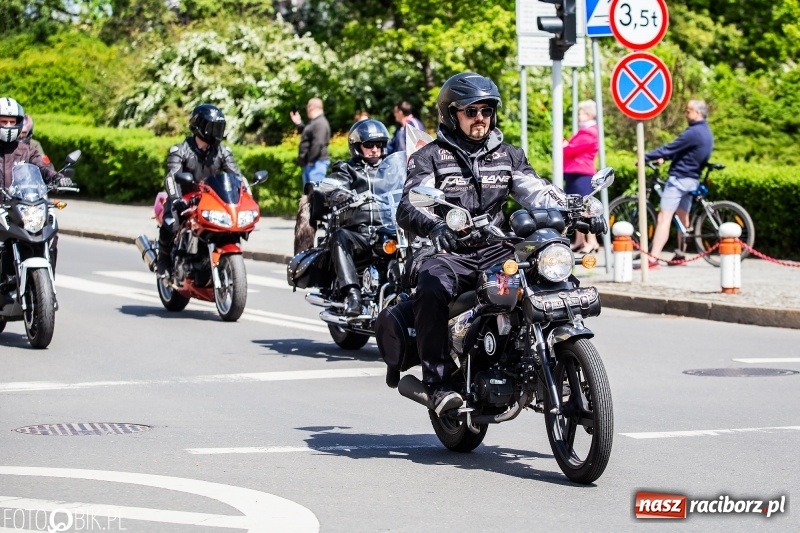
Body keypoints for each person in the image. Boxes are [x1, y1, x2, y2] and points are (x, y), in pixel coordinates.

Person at [396, 72, 606, 417]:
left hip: (497, 247)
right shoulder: (430, 157)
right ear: (452, 114)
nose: (480, 118)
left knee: (548, 269)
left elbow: (537, 190)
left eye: (486, 110)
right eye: (471, 111)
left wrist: (577, 206)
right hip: (450, 251)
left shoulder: (507, 155)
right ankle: (438, 383)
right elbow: (408, 204)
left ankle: (551, 359)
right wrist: (435, 227)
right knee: (431, 286)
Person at [156, 103, 241, 277]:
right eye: (213, 127)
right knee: (171, 223)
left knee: (229, 226)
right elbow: (171, 176)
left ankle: (211, 259)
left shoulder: (223, 152)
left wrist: (244, 193)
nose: (217, 132)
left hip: (210, 198)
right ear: (199, 127)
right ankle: (163, 259)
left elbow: (237, 176)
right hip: (183, 197)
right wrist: (176, 198)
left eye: (219, 128)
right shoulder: (180, 150)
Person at [321, 119, 391, 316]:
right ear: (357, 146)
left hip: (387, 231)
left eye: (379, 145)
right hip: (360, 235)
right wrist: (339, 193)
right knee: (340, 237)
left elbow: (406, 184)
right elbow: (334, 187)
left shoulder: (390, 170)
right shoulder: (346, 169)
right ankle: (352, 294)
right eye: (369, 145)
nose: (375, 149)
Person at [1, 97, 71, 274]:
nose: (8, 126)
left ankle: (47, 281)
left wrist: (58, 178)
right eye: (3, 121)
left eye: (12, 121)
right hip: (1, 207)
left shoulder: (27, 150)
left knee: (50, 234)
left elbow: (43, 168)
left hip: (21, 206)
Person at [642, 99, 713, 270]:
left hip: (679, 179)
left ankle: (653, 259)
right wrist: (665, 158)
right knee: (683, 217)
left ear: (697, 113)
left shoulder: (693, 132)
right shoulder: (706, 132)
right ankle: (680, 255)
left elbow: (670, 147)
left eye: (688, 111)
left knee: (663, 218)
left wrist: (646, 157)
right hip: (692, 179)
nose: (685, 114)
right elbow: (684, 152)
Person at [563, 100, 600, 253]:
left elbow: (570, 150)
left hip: (581, 174)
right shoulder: (584, 131)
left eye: (582, 113)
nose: (579, 116)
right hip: (574, 173)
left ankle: (592, 241)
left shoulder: (590, 132)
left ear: (589, 114)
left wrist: (563, 144)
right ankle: (580, 241)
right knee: (576, 209)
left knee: (586, 208)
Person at [290, 97, 331, 186]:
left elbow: (318, 143)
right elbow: (307, 135)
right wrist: (298, 123)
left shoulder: (320, 123)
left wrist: (310, 160)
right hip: (312, 164)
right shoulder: (314, 122)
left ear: (311, 107)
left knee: (315, 195)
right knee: (309, 196)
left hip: (316, 164)